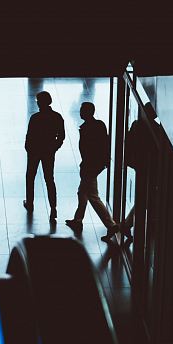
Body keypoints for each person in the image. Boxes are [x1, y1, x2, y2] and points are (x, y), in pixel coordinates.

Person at [65, 101, 118, 241]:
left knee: (93, 196)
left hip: (90, 166)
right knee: (82, 192)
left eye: (82, 110)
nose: (80, 112)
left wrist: (85, 166)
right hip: (95, 165)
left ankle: (111, 225)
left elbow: (87, 150)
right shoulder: (99, 125)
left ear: (87, 112)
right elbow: (104, 145)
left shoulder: (87, 128)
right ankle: (78, 220)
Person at [119, 102, 160, 243]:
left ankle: (128, 223)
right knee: (147, 196)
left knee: (145, 196)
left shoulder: (136, 125)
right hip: (150, 167)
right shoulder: (155, 129)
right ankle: (130, 223)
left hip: (140, 165)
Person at [23, 90, 65, 220]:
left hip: (35, 151)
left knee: (30, 177)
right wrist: (53, 148)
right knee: (49, 179)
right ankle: (53, 208)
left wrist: (29, 149)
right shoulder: (57, 117)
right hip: (48, 152)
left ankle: (30, 203)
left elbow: (29, 136)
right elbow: (61, 136)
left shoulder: (35, 118)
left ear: (40, 103)